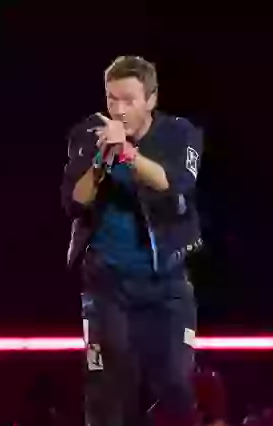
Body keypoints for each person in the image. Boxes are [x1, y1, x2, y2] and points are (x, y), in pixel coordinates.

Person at [60, 55, 204, 426]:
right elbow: (75, 202)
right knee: (106, 396)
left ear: (151, 99)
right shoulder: (87, 134)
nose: (119, 109)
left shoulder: (180, 133)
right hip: (107, 286)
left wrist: (128, 153)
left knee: (176, 388)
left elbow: (175, 184)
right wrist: (102, 159)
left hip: (166, 286)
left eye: (129, 100)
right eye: (112, 99)